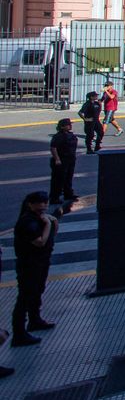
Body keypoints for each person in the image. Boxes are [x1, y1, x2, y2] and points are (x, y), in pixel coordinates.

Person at [10, 191, 57, 347]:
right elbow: (40, 242)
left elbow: (51, 236)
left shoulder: (39, 219)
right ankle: (19, 333)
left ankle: (35, 319)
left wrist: (52, 222)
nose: (43, 205)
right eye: (40, 202)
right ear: (30, 204)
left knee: (37, 290)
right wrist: (49, 224)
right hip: (30, 264)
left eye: (45, 202)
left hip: (41, 261)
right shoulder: (27, 222)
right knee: (25, 296)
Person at [48, 118, 79, 204]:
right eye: (68, 125)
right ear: (62, 127)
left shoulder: (70, 135)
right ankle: (54, 197)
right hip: (62, 159)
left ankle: (68, 193)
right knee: (58, 179)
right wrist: (57, 159)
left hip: (70, 159)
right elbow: (53, 148)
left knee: (68, 177)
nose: (70, 126)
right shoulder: (58, 136)